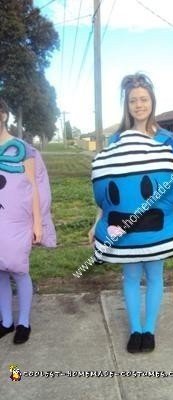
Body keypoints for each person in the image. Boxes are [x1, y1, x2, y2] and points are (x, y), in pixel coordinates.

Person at [90, 73, 173, 353]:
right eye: (133, 100)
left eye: (144, 99)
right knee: (129, 275)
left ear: (152, 101)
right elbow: (106, 188)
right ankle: (134, 329)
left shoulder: (168, 140)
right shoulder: (115, 140)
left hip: (157, 224)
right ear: (126, 105)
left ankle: (148, 330)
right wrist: (97, 222)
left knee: (154, 274)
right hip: (124, 224)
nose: (139, 104)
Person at [0, 98, 56, 344]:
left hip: (17, 221)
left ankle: (24, 321)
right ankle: (5, 321)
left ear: (3, 115)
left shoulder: (24, 149)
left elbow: (35, 186)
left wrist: (37, 224)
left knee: (19, 269)